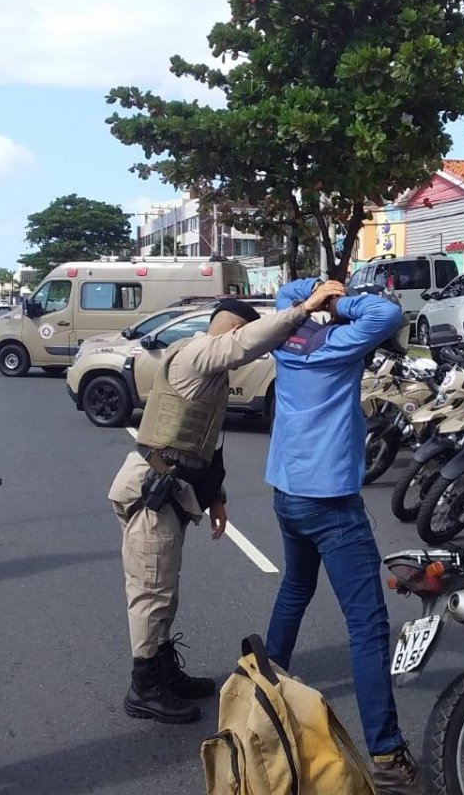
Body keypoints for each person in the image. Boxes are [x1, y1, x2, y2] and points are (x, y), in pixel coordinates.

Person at [109, 284, 345, 725]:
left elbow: (209, 442)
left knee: (164, 588)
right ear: (233, 329)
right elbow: (243, 344)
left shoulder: (211, 374)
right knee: (150, 591)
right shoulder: (197, 353)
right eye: (243, 342)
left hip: (173, 489)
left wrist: (216, 498)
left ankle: (163, 670)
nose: (247, 360)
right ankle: (144, 687)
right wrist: (303, 309)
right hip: (150, 492)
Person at [262, 279, 421, 795]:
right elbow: (386, 315)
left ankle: (265, 692)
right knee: (368, 626)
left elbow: (287, 294)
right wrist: (341, 300)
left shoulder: (285, 338)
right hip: (330, 503)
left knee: (295, 588)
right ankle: (387, 754)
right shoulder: (337, 345)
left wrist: (313, 296)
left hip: (288, 492)